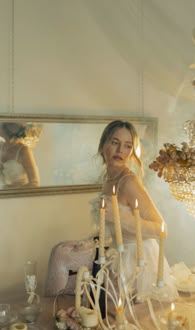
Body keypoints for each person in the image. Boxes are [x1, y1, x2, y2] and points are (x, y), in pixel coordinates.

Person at [45, 120, 177, 299]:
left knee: (125, 317)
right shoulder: (108, 179)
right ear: (102, 146)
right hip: (117, 254)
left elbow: (161, 228)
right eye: (115, 142)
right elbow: (110, 225)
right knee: (60, 251)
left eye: (127, 145)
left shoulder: (129, 182)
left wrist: (122, 217)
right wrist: (88, 241)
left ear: (131, 152)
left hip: (138, 261)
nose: (120, 150)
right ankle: (57, 311)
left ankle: (59, 310)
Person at [0, 122, 40, 187]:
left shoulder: (23, 150)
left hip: (17, 196)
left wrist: (15, 191)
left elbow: (34, 182)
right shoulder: (1, 146)